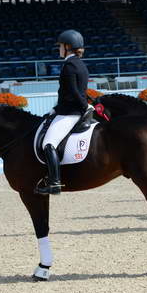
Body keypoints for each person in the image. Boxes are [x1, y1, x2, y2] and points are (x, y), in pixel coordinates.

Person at [35, 29, 90, 195]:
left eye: (60, 46)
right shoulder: (80, 64)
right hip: (69, 109)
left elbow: (73, 92)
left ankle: (55, 182)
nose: (58, 49)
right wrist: (54, 109)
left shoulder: (69, 66)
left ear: (67, 47)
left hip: (71, 112)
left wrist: (83, 107)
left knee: (48, 143)